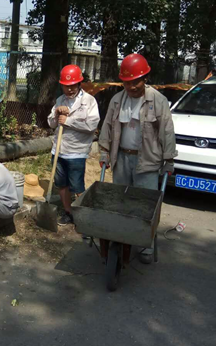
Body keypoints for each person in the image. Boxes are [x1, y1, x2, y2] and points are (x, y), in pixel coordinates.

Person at [98, 53, 177, 263]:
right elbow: (107, 126)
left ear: (145, 79)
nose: (131, 86)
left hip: (148, 161)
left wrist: (169, 159)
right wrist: (104, 151)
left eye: (135, 81)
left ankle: (146, 246)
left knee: (145, 205)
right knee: (120, 203)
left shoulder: (157, 100)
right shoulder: (117, 100)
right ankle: (122, 238)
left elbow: (167, 132)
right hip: (121, 158)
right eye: (127, 82)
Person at [47, 65, 100, 226]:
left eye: (72, 86)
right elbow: (50, 124)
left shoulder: (89, 101)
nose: (69, 89)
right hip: (59, 150)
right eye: (66, 86)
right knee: (61, 185)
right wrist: (56, 114)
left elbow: (92, 125)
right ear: (61, 85)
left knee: (77, 187)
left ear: (79, 84)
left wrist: (68, 121)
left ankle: (83, 215)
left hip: (77, 152)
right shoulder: (59, 100)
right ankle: (68, 212)